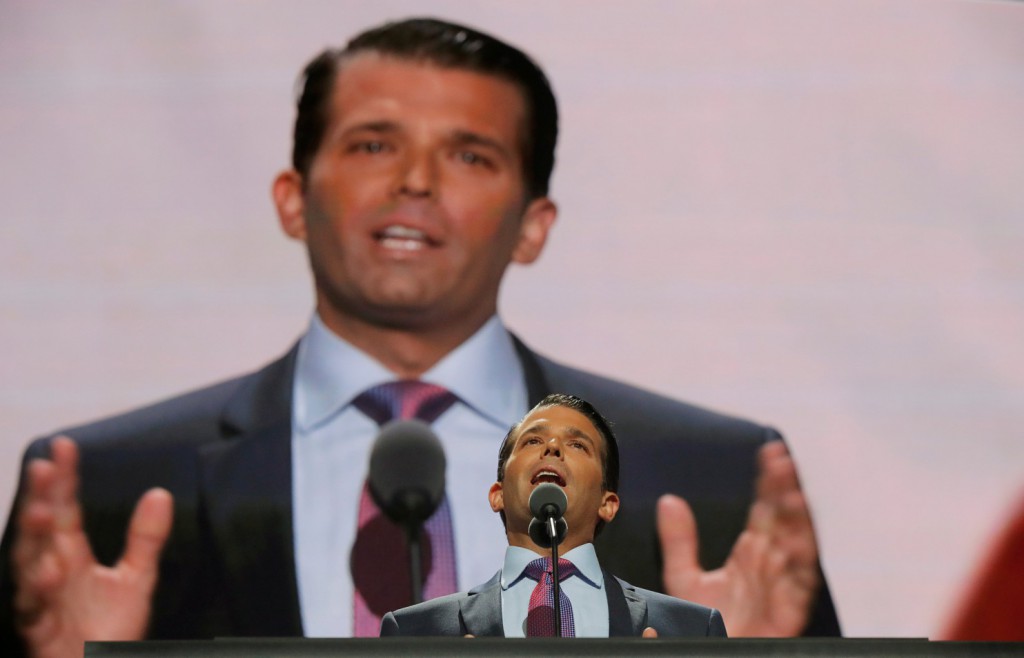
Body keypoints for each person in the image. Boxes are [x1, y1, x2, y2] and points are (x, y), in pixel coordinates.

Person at [0, 16, 839, 657]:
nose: (415, 182)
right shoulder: (109, 489)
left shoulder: (707, 480)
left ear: (533, 226)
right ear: (292, 200)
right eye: (373, 144)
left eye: (470, 156)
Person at [380, 393, 728, 638]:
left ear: (607, 503)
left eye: (578, 445)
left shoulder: (691, 631)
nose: (553, 448)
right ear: (498, 495)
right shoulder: (417, 632)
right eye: (532, 441)